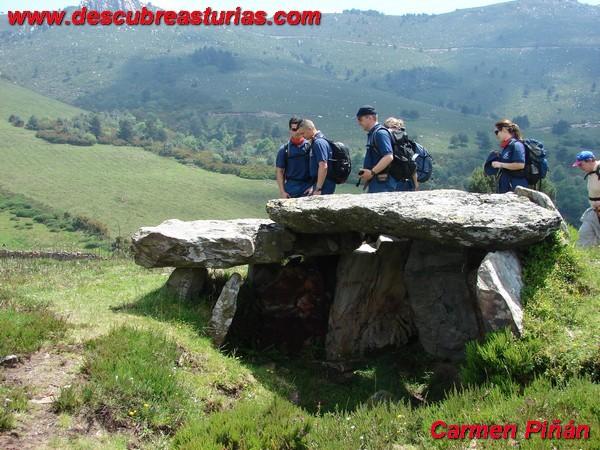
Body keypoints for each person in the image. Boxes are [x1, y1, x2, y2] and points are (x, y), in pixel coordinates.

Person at [356, 105, 407, 193]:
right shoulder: (373, 134)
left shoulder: (380, 133)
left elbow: (388, 156)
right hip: (378, 181)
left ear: (370, 118)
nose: (358, 123)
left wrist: (372, 172)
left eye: (360, 119)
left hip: (383, 182)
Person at [275, 117, 312, 198]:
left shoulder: (310, 147)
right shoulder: (284, 150)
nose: (297, 132)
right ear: (290, 130)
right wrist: (282, 192)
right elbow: (279, 172)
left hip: (307, 189)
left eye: (299, 129)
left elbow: (318, 168)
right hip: (291, 189)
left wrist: (313, 187)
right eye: (294, 129)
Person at [297, 119, 336, 195]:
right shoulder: (317, 141)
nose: (303, 136)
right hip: (320, 183)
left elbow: (323, 166)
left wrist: (318, 188)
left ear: (310, 129)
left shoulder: (319, 142)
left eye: (303, 133)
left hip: (324, 185)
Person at [490, 119, 528, 193]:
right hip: (506, 185)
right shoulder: (507, 147)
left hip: (516, 186)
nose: (496, 135)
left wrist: (500, 164)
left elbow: (520, 165)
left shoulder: (517, 145)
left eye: (497, 131)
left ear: (504, 129)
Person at [572, 150, 600, 247]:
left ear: (589, 160)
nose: (580, 167)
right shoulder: (592, 172)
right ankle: (585, 255)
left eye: (581, 164)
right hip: (594, 210)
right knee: (584, 233)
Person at [383, 116, 419, 191]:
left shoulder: (387, 141)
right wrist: (416, 184)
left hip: (392, 179)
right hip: (407, 180)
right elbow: (412, 163)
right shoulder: (406, 143)